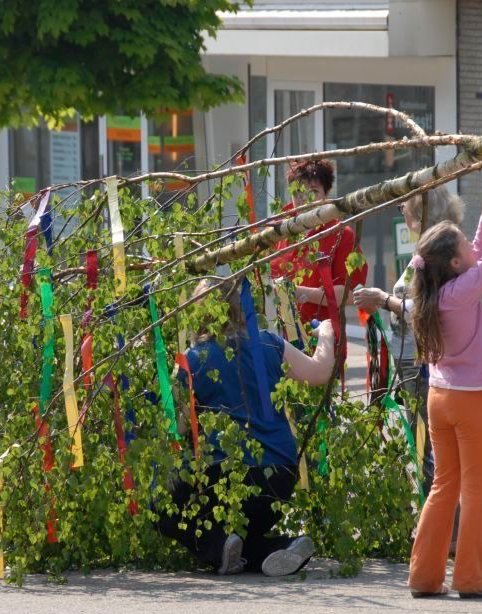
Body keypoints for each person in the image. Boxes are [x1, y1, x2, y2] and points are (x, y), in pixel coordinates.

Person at [156, 278, 336, 576]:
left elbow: (179, 428)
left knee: (160, 504)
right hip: (280, 477)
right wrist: (327, 333)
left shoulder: (192, 359)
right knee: (244, 533)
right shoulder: (269, 343)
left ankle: (219, 547)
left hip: (225, 477)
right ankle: (281, 547)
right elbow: (319, 372)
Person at [407, 168, 482, 599]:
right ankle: (471, 578)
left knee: (444, 485)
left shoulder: (438, 291)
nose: (473, 245)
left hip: (441, 397)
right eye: (464, 244)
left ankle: (423, 577)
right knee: (476, 489)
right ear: (454, 263)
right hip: (473, 402)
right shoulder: (465, 289)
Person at [352, 186, 465, 497]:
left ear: (421, 213)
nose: (401, 211)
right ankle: (438, 514)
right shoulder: (425, 252)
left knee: (429, 445)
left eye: (405, 206)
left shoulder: (436, 257)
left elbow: (428, 309)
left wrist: (383, 299)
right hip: (412, 361)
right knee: (423, 442)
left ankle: (440, 517)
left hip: (424, 363)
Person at [270, 160, 367, 322]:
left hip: (322, 332)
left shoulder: (341, 234)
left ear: (325, 195)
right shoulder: (277, 230)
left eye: (313, 191)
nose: (305, 199)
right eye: (298, 191)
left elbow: (351, 293)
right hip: (275, 331)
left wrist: (298, 292)